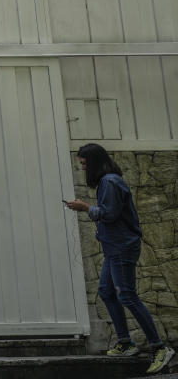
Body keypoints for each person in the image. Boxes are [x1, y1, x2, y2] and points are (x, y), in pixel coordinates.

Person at [65, 143, 174, 375]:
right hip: (115, 246)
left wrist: (85, 208)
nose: (83, 168)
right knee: (106, 291)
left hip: (122, 247)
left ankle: (160, 348)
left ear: (93, 162)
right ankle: (125, 343)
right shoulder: (109, 181)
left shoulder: (110, 182)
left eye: (84, 164)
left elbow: (110, 214)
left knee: (127, 295)